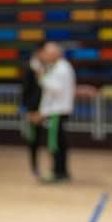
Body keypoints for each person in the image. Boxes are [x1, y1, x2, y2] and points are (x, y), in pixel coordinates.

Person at [34, 42, 76, 182]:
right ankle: (61, 172)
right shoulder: (57, 67)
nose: (44, 55)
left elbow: (57, 89)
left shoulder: (61, 68)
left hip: (57, 111)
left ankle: (58, 173)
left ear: (54, 54)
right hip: (54, 111)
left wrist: (42, 78)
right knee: (59, 142)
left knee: (54, 143)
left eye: (47, 52)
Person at [21, 44, 44, 178]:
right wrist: (29, 110)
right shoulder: (30, 68)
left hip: (44, 109)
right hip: (34, 110)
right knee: (34, 139)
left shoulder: (44, 68)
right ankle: (34, 167)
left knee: (41, 138)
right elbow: (26, 90)